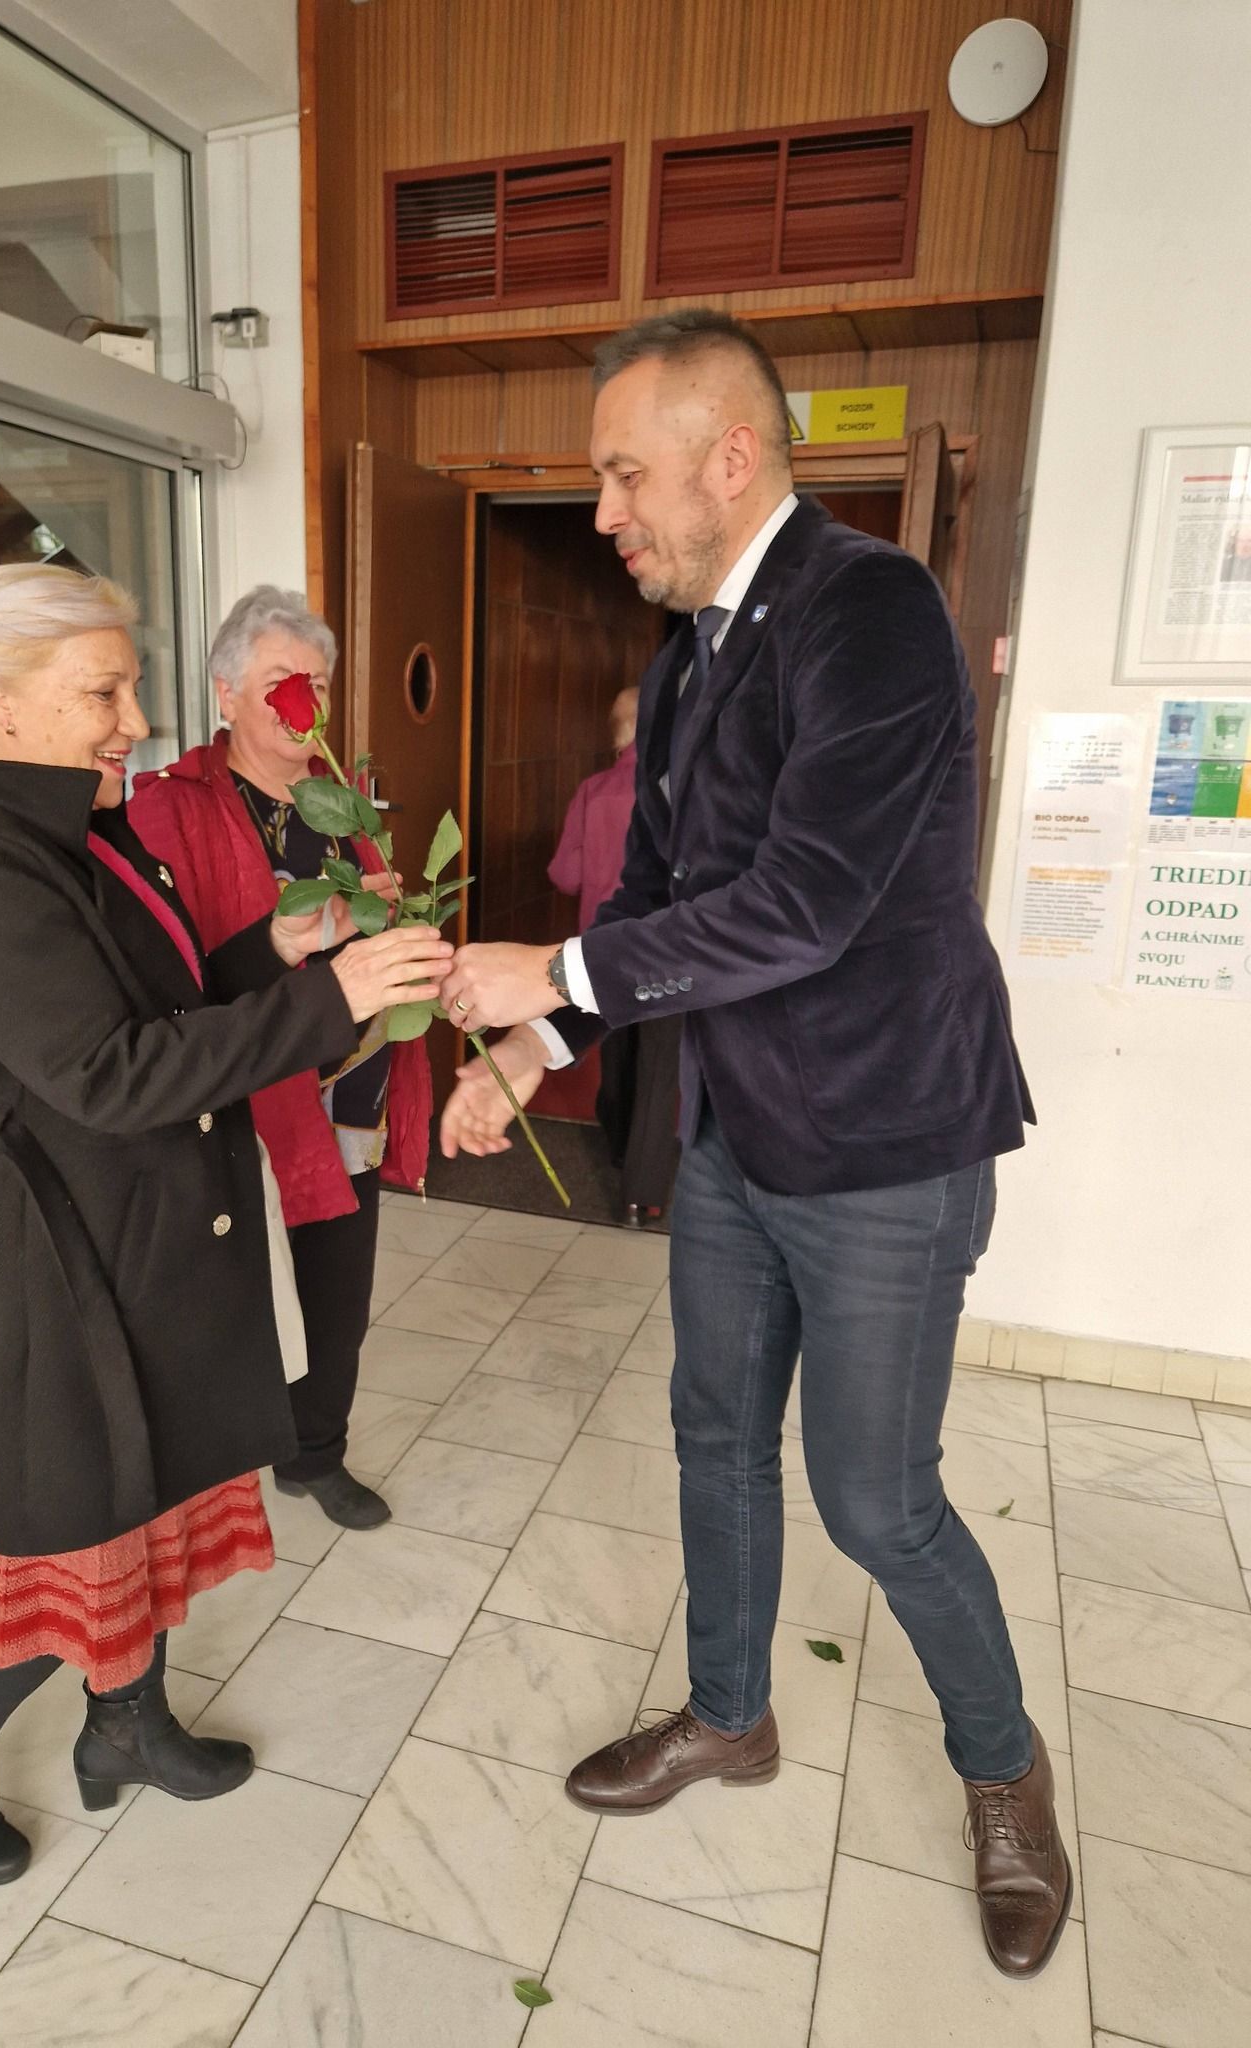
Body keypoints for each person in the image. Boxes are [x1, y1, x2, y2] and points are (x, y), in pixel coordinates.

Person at [437, 311, 1069, 1980]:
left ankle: (1003, 1771)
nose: (603, 512)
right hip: (730, 1132)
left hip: (885, 1143)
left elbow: (803, 906)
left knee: (876, 1497)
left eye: (622, 474)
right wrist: (535, 1046)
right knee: (713, 1431)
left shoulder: (872, 610)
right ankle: (731, 1714)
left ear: (730, 457)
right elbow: (657, 900)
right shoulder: (688, 662)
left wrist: (552, 973)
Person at [0, 563, 450, 1886]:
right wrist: (332, 1001)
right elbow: (107, 1070)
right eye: (104, 692)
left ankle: (125, 1725)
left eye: (130, 687)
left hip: (129, 1226)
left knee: (150, 1492)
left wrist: (272, 958)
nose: (134, 720)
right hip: (49, 1259)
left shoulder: (80, 830)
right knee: (70, 1526)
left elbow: (159, 1003)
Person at [131, 586, 430, 1531]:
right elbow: (168, 982)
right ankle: (213, 1469)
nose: (305, 702)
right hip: (242, 1100)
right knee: (234, 1300)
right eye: (279, 682)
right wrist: (283, 943)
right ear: (225, 694)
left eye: (318, 684)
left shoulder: (345, 803)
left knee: (337, 1292)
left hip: (349, 1092)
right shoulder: (167, 809)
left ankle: (314, 1454)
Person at [548, 683, 679, 1226]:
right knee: (659, 1068)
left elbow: (565, 875)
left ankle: (621, 1149)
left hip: (602, 950)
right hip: (666, 950)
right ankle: (640, 1195)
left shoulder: (593, 790)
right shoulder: (679, 790)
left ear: (618, 732)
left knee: (617, 1049)